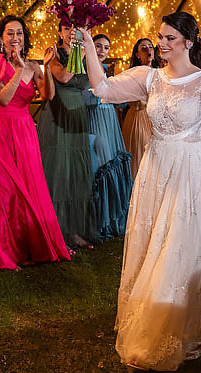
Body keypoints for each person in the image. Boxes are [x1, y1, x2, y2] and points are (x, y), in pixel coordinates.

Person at [82, 12, 201, 370]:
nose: (162, 44)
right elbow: (103, 88)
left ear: (188, 42)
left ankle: (168, 326)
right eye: (161, 37)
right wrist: (89, 45)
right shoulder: (148, 78)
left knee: (179, 242)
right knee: (154, 239)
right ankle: (162, 316)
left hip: (188, 168)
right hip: (155, 167)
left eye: (169, 38)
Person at [0, 15, 69, 266]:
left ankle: (23, 241)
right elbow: (4, 99)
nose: (15, 38)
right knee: (0, 189)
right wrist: (18, 70)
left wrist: (47, 68)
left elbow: (47, 96)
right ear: (1, 38)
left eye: (19, 33)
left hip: (24, 129)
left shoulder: (33, 66)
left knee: (27, 188)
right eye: (10, 33)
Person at [38, 23, 99, 250]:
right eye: (66, 27)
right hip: (57, 113)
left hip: (77, 114)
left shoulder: (86, 52)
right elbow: (63, 77)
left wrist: (87, 51)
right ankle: (56, 231)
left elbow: (95, 81)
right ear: (60, 31)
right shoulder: (55, 52)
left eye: (77, 27)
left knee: (75, 170)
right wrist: (79, 51)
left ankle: (74, 230)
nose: (71, 31)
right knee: (58, 170)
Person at [84, 33, 133, 240]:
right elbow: (86, 98)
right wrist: (105, 96)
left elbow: (120, 101)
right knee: (100, 167)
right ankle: (99, 222)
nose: (102, 51)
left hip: (110, 122)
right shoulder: (83, 70)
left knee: (113, 163)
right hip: (94, 120)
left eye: (106, 47)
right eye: (98, 46)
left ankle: (114, 218)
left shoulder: (109, 73)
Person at [120, 38, 155, 178]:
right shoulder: (132, 74)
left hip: (155, 120)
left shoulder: (161, 72)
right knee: (140, 158)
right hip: (138, 117)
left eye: (150, 47)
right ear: (137, 54)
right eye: (144, 48)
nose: (148, 50)